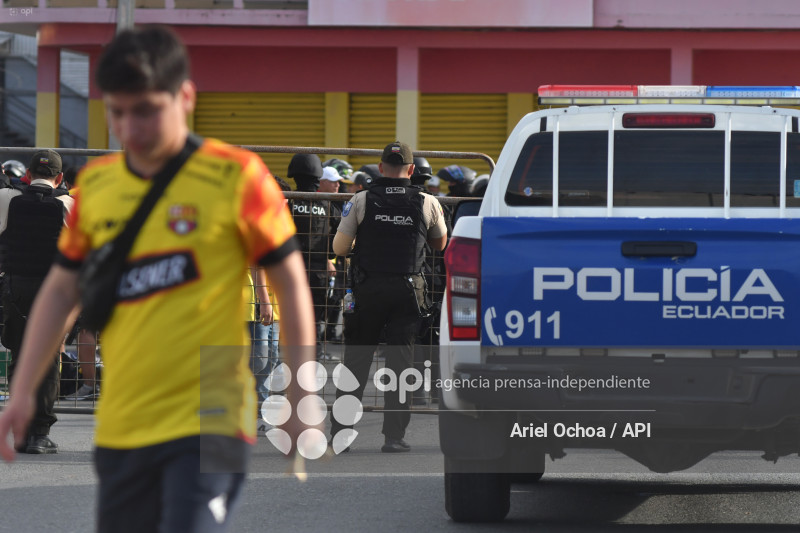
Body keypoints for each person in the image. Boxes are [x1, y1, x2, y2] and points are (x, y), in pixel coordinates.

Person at [0, 26, 317, 533]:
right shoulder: (98, 187)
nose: (132, 127)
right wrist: (21, 392)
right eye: (118, 112)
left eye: (146, 110)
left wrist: (302, 391)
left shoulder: (239, 177)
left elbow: (293, 285)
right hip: (126, 417)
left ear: (185, 97)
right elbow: (61, 290)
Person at [329, 141, 447, 453]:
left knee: (356, 361)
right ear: (411, 170)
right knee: (401, 365)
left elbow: (339, 249)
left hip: (367, 291)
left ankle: (341, 435)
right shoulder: (427, 201)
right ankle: (394, 437)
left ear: (380, 168)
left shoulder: (361, 199)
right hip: (408, 293)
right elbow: (440, 244)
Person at [0, 150, 73, 454]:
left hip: (14, 288)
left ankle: (19, 429)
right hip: (53, 292)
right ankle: (39, 435)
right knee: (47, 360)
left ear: (27, 175)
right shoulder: (67, 204)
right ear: (59, 178)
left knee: (20, 354)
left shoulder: (7, 198)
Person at [287, 154, 339, 361]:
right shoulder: (327, 205)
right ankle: (313, 359)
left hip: (290, 273)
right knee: (314, 320)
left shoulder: (287, 202)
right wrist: (328, 256)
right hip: (318, 275)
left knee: (291, 318)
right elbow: (337, 244)